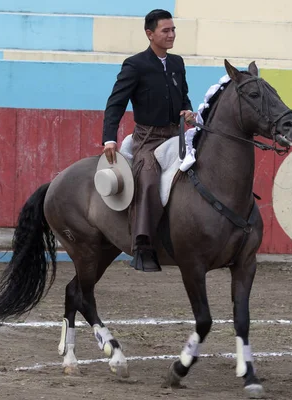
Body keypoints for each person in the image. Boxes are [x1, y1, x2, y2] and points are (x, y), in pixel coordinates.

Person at [102, 9, 195, 272]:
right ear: (150, 34)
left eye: (173, 29)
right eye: (166, 30)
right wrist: (109, 138)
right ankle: (142, 245)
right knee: (150, 179)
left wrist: (187, 112)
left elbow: (184, 97)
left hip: (177, 136)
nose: (171, 34)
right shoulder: (135, 65)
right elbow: (115, 103)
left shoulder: (177, 63)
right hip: (148, 141)